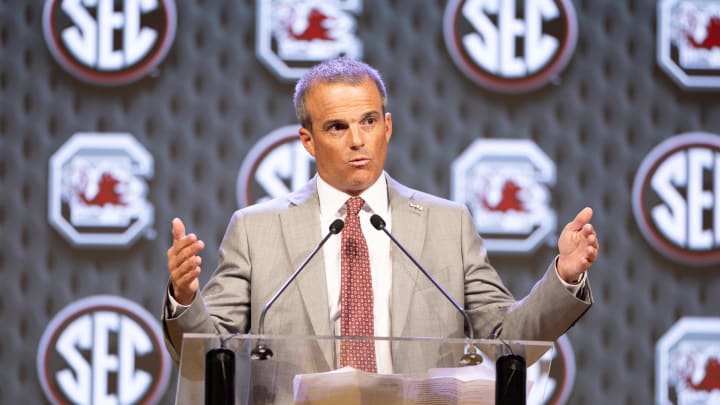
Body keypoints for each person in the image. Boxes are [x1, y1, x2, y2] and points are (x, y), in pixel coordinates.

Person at [162, 57, 598, 385]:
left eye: (369, 121)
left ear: (387, 126)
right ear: (308, 141)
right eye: (337, 127)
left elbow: (506, 338)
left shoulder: (448, 225)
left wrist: (563, 276)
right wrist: (184, 299)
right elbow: (207, 352)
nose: (357, 140)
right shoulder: (256, 229)